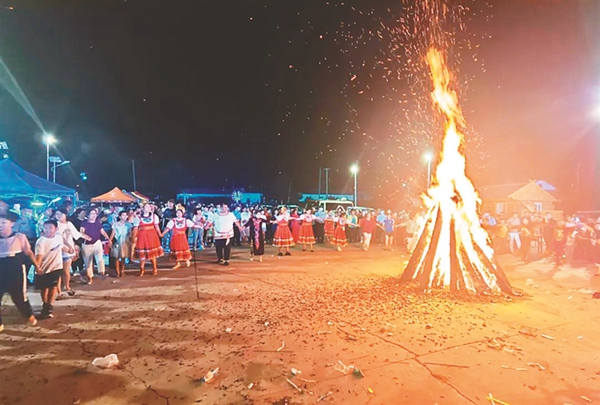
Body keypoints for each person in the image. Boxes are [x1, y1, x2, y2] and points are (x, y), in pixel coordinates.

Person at [0, 212, 39, 332]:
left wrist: (37, 266)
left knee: (19, 296)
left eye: (3, 222)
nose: (0, 225)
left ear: (11, 223)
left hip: (15, 269)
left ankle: (29, 315)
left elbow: (29, 252)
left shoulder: (19, 237)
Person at [35, 219, 74, 319]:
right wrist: (37, 268)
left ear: (56, 229)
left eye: (50, 228)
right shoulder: (41, 241)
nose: (48, 230)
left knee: (53, 287)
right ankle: (45, 304)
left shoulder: (58, 238)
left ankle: (49, 306)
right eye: (46, 228)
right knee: (44, 288)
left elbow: (61, 247)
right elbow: (39, 257)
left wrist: (69, 250)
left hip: (57, 267)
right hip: (44, 268)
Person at [55, 208, 90, 298]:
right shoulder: (55, 224)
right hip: (58, 250)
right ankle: (58, 291)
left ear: (65, 215)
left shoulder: (69, 224)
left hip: (68, 251)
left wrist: (85, 237)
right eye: (57, 214)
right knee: (58, 272)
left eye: (61, 214)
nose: (59, 216)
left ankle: (67, 287)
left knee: (66, 271)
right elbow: (59, 238)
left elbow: (76, 234)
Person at [80, 208, 112, 284]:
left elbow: (102, 232)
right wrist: (86, 237)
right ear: (88, 215)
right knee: (88, 262)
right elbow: (81, 233)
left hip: (97, 242)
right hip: (87, 245)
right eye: (92, 213)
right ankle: (90, 277)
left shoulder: (98, 223)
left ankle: (102, 273)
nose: (94, 215)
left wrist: (108, 239)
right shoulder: (84, 224)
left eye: (95, 214)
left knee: (100, 258)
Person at [133, 203, 164, 276]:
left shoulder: (154, 216)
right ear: (143, 208)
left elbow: (157, 226)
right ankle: (142, 269)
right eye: (146, 207)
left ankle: (154, 268)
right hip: (142, 236)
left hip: (152, 235)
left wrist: (160, 234)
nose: (148, 208)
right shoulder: (138, 217)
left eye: (149, 207)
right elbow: (135, 228)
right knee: (142, 254)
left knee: (152, 253)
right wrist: (134, 237)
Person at [109, 210, 133, 277]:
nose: (125, 217)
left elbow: (130, 234)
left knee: (123, 257)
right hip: (117, 241)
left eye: (126, 215)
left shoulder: (129, 225)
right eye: (123, 215)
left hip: (125, 241)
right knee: (116, 257)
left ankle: (122, 270)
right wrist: (110, 240)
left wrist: (131, 240)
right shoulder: (116, 224)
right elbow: (113, 233)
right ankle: (117, 271)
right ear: (119, 216)